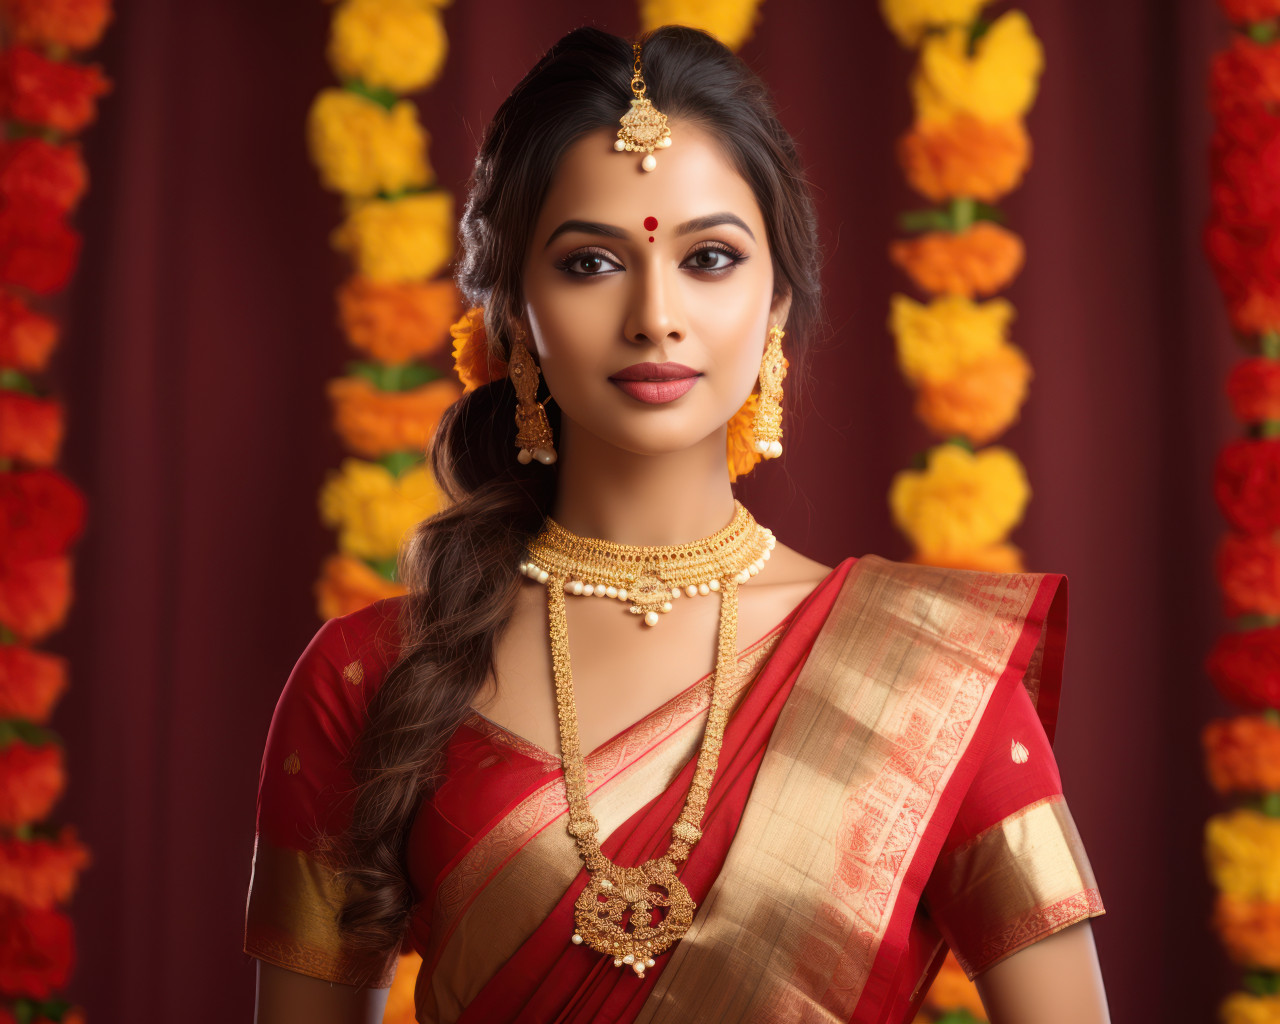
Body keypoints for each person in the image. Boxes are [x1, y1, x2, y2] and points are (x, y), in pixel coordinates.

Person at [245, 25, 1110, 1024]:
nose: (654, 314)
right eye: (587, 264)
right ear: (515, 315)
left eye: (707, 257)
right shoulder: (371, 674)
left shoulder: (927, 672)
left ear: (774, 300)